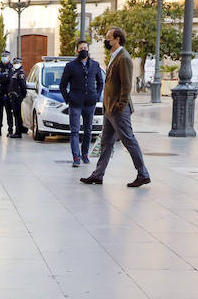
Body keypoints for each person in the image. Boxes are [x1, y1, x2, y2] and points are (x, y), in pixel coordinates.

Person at [80, 26, 151, 188]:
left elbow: (126, 85)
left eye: (108, 38)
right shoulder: (114, 56)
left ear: (117, 39)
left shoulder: (124, 57)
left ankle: (143, 174)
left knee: (128, 140)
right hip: (110, 108)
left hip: (118, 109)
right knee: (106, 143)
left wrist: (120, 106)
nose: (106, 41)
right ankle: (98, 175)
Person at [60, 38, 104, 166]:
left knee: (88, 130)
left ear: (88, 50)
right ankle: (76, 157)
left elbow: (100, 83)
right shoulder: (70, 66)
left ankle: (85, 154)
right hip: (75, 102)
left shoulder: (95, 65)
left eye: (85, 48)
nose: (83, 51)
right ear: (77, 51)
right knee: (74, 130)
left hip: (90, 102)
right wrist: (68, 98)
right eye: (81, 49)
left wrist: (96, 96)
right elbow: (62, 85)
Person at [4, 57, 28, 138]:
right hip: (14, 96)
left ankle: (18, 132)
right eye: (14, 63)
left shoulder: (20, 73)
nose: (16, 64)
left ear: (21, 63)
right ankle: (18, 130)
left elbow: (23, 86)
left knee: (17, 115)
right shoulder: (15, 72)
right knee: (16, 114)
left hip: (18, 97)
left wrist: (22, 95)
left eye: (17, 63)